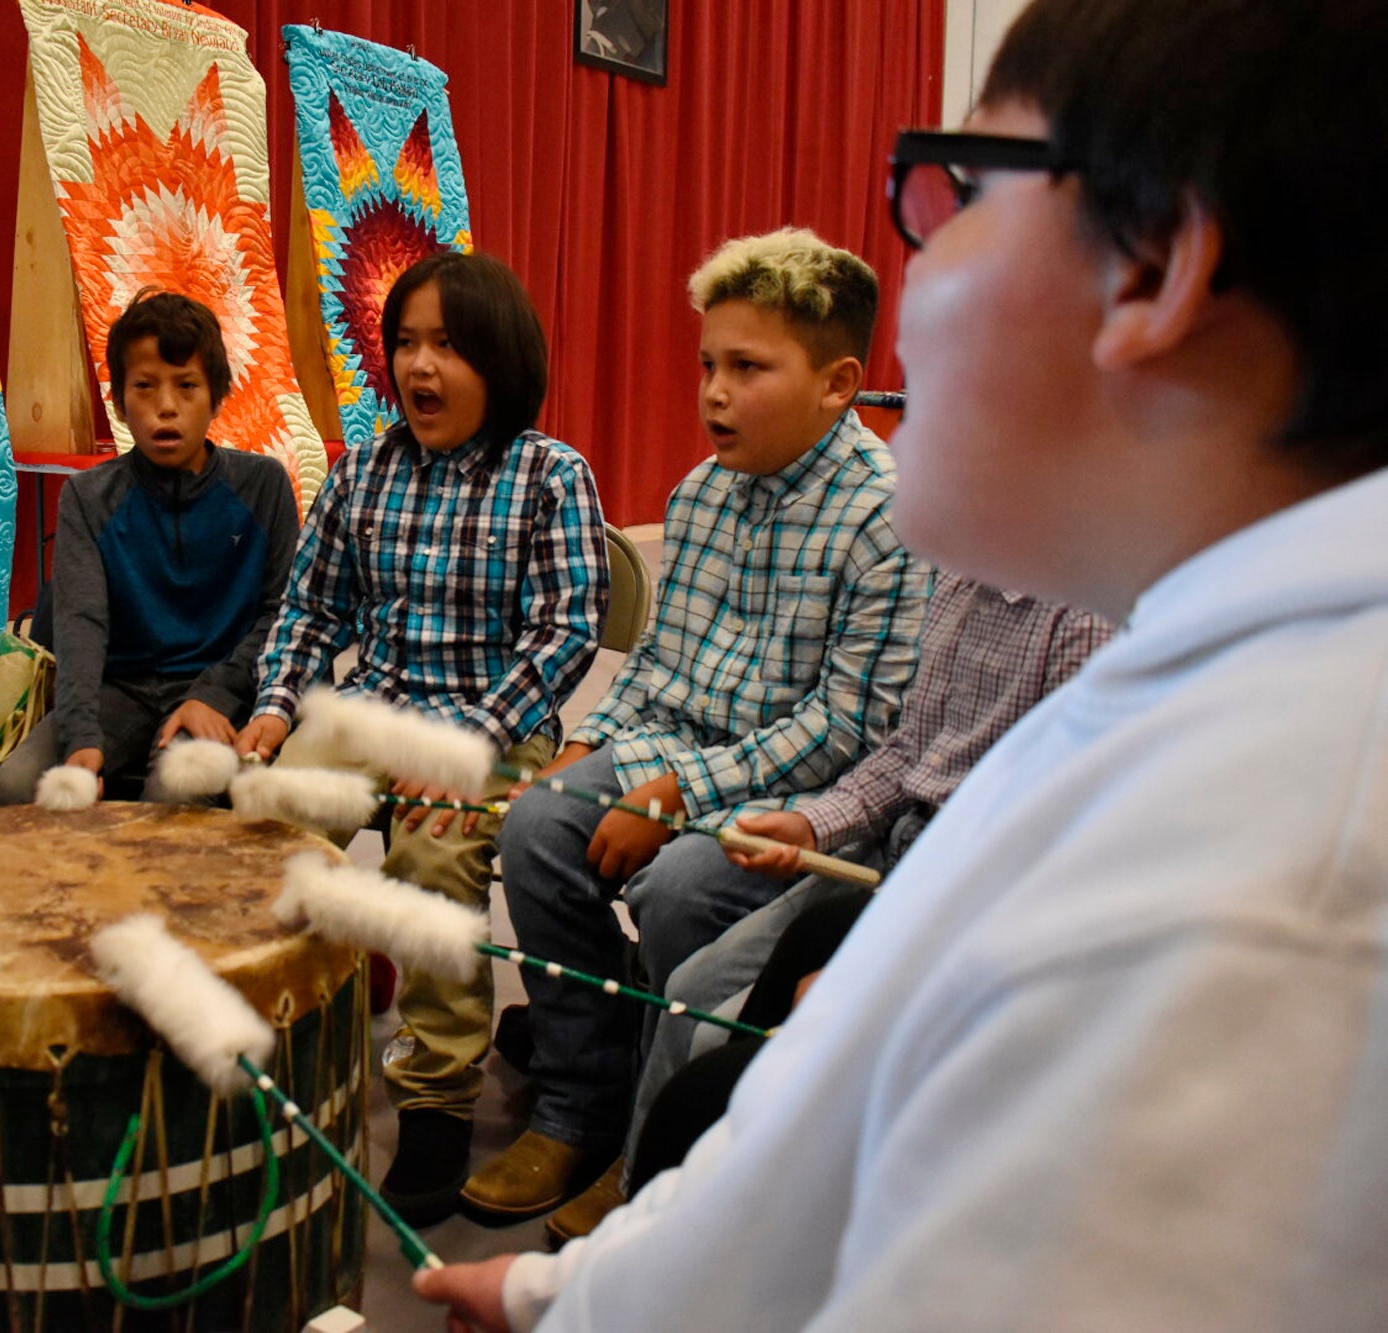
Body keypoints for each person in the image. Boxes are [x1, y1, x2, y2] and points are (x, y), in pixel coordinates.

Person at [417, 0, 1388, 1327]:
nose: (917, 278)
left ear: (1155, 266)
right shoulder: (1183, 685)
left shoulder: (1245, 893)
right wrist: (559, 1293)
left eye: (962, 192)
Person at [471, 228, 929, 1221]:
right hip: (673, 753)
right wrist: (593, 747)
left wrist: (678, 797)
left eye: (746, 368)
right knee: (534, 825)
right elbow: (660, 667)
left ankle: (658, 1127)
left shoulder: (889, 520)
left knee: (684, 886)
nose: (711, 392)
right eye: (706, 365)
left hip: (799, 798)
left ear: (838, 383)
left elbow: (850, 723)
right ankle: (577, 1101)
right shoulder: (699, 491)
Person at [544, 574, 1112, 1243]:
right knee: (692, 990)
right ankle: (645, 1184)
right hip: (895, 849)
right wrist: (815, 826)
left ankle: (704, 1218)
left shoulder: (1089, 616)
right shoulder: (964, 572)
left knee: (716, 1032)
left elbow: (1057, 819)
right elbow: (908, 750)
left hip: (965, 889)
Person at [236, 250, 610, 1225]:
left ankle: (436, 1094)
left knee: (430, 851)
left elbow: (566, 632)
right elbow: (314, 610)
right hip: (379, 704)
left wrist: (460, 748)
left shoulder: (549, 475)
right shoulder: (364, 467)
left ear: (500, 356)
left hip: (498, 725)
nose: (418, 366)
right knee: (263, 815)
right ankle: (289, 1032)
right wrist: (276, 705)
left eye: (446, 344)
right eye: (403, 342)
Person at [0, 290, 298, 805]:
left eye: (187, 386)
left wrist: (215, 692)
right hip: (118, 689)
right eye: (145, 387)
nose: (166, 407)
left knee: (177, 799)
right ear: (119, 402)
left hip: (218, 688)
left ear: (218, 395)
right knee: (18, 788)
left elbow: (281, 615)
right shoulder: (88, 497)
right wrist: (81, 736)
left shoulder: (262, 486)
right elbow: (80, 623)